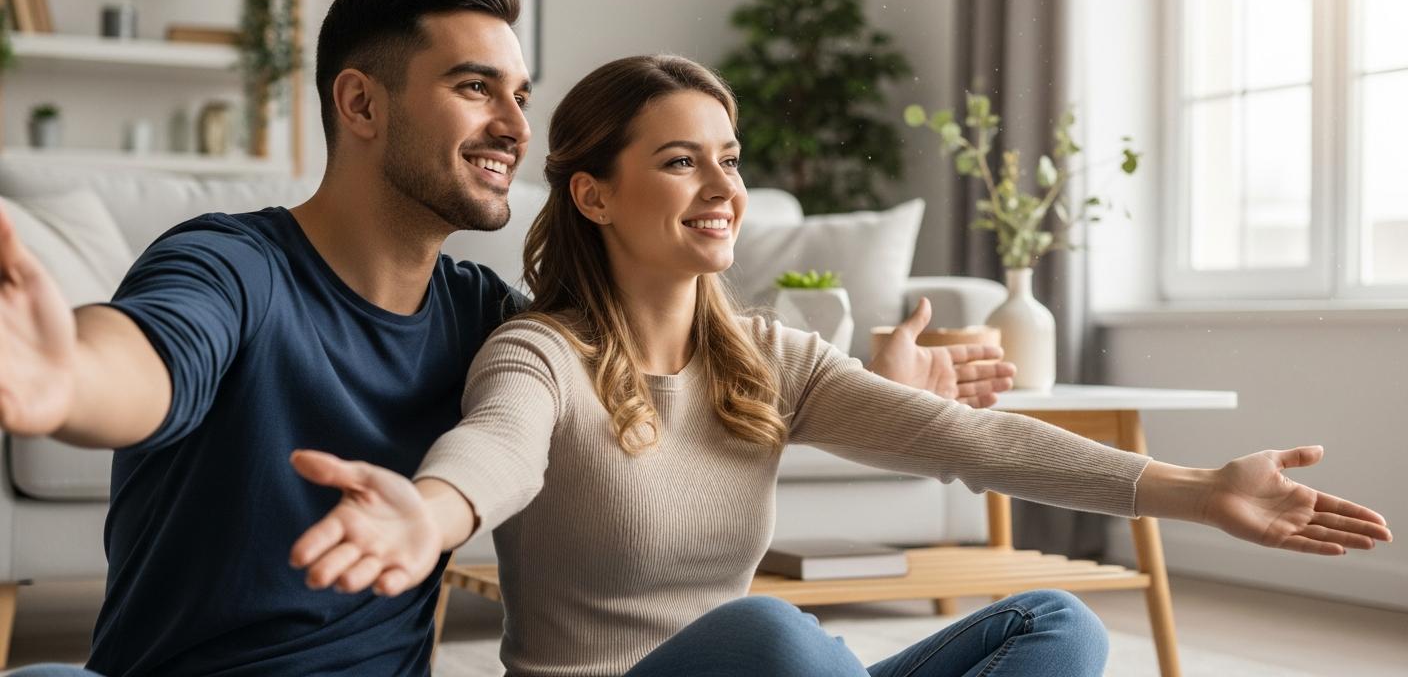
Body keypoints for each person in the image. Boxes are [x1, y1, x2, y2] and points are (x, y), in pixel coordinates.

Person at [0, 0, 1011, 676]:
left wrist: (877, 394)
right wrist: (65, 384)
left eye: (520, 94)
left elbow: (639, 383)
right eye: (474, 87)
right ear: (361, 105)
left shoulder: (486, 316)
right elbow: (146, 360)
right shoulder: (231, 264)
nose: (517, 129)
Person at [288, 55, 1393, 677]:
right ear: (593, 194)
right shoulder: (542, 351)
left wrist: (1198, 493)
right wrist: (428, 518)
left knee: (1054, 624)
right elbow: (496, 450)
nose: (722, 187)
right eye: (680, 163)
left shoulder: (766, 355)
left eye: (728, 158)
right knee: (775, 632)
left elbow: (976, 442)